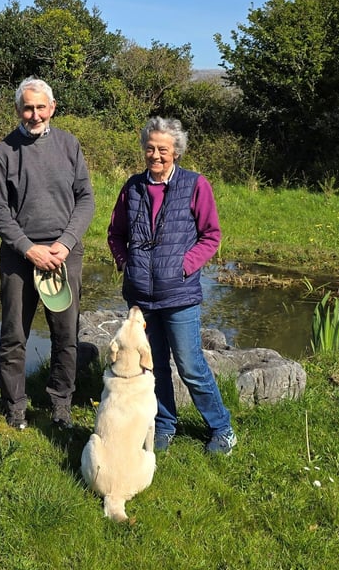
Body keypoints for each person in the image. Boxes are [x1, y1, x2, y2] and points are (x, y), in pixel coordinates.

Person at [106, 117, 236, 455]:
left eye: (163, 149)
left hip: (179, 295)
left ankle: (222, 428)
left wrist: (185, 265)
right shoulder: (132, 188)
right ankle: (164, 424)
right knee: (155, 365)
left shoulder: (195, 185)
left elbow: (211, 235)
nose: (155, 155)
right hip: (141, 298)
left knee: (191, 365)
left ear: (176, 151)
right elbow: (115, 234)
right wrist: (126, 263)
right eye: (150, 148)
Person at [0, 77, 95, 431]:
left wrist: (64, 243)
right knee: (14, 334)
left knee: (65, 335)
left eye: (40, 107)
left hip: (65, 254)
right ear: (19, 109)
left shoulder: (69, 145)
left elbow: (85, 200)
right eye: (28, 107)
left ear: (53, 107)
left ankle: (60, 404)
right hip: (20, 255)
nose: (34, 114)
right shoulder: (4, 151)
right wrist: (29, 249)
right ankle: (15, 405)